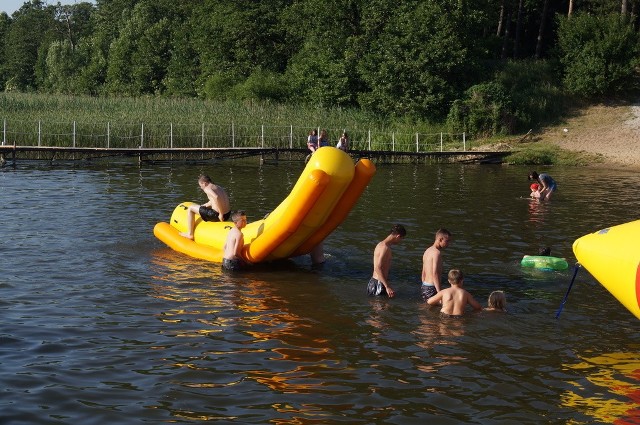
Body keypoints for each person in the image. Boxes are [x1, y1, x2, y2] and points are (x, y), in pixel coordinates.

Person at [179, 174, 231, 240]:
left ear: (205, 183)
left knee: (190, 208)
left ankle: (190, 234)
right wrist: (204, 206)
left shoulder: (207, 188)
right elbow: (214, 200)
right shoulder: (218, 187)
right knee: (202, 207)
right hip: (227, 214)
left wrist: (220, 214)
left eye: (201, 185)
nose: (201, 188)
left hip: (217, 215)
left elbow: (216, 197)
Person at [367, 224, 407, 298]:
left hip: (374, 282)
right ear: (398, 236)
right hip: (378, 284)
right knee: (382, 307)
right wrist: (387, 286)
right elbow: (377, 268)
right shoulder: (385, 248)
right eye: (402, 239)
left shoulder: (380, 244)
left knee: (380, 307)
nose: (400, 242)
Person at [421, 228, 452, 301]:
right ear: (440, 239)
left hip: (425, 286)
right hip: (432, 287)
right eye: (447, 241)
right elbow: (435, 273)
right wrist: (439, 293)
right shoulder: (437, 253)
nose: (448, 244)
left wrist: (424, 286)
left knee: (429, 308)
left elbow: (423, 272)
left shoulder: (427, 251)